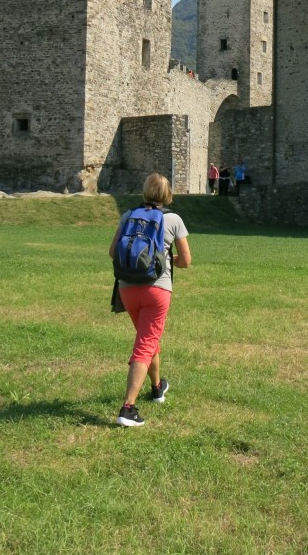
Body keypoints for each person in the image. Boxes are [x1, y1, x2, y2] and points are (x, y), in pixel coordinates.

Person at [109, 172, 191, 427]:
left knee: (148, 339)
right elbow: (186, 261)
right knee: (145, 345)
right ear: (168, 195)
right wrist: (168, 260)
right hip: (157, 290)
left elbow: (113, 252)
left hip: (127, 288)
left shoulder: (128, 216)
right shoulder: (173, 219)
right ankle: (128, 408)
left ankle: (157, 387)